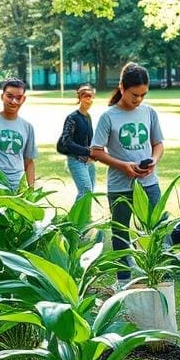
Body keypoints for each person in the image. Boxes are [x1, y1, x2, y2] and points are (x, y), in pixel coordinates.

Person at [89, 63, 164, 281]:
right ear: (121, 87)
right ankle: (123, 279)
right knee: (121, 233)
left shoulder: (149, 112)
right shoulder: (109, 116)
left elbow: (158, 144)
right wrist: (123, 166)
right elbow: (96, 151)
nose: (138, 99)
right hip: (120, 185)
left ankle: (156, 275)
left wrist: (154, 161)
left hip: (149, 183)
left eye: (143, 95)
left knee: (155, 229)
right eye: (134, 95)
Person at [57, 84, 98, 202]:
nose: (89, 100)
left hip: (88, 161)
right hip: (76, 160)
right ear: (80, 98)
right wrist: (86, 151)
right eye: (86, 96)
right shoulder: (72, 118)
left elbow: (89, 138)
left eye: (91, 97)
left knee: (90, 192)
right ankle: (76, 219)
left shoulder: (88, 117)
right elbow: (66, 141)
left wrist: (93, 153)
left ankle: (86, 218)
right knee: (85, 190)